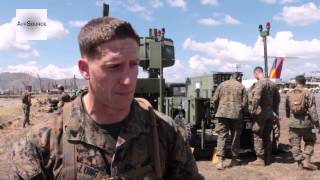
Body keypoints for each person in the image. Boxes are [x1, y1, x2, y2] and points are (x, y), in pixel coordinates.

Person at [11, 16, 203, 179]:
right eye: (114, 67)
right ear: (85, 69)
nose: (128, 80)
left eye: (134, 65)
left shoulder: (165, 132)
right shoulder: (42, 142)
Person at [213, 72, 247, 170]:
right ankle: (234, 160)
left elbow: (215, 99)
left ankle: (220, 162)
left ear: (230, 77)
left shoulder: (222, 85)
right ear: (238, 77)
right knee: (235, 137)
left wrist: (217, 111)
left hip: (222, 114)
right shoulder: (241, 87)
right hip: (236, 115)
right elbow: (245, 104)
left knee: (222, 136)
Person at [248, 66, 280, 166]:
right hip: (270, 114)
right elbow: (277, 99)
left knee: (257, 134)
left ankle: (260, 159)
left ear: (256, 73)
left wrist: (252, 111)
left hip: (260, 114)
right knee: (267, 135)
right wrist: (274, 111)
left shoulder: (260, 83)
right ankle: (268, 157)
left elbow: (256, 97)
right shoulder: (272, 83)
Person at [286, 75, 319, 170]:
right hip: (307, 124)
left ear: (296, 82)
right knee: (310, 140)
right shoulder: (308, 93)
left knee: (295, 144)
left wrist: (289, 117)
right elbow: (313, 111)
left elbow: (287, 108)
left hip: (293, 123)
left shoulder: (289, 93)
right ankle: (307, 160)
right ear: (305, 82)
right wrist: (316, 124)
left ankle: (299, 163)